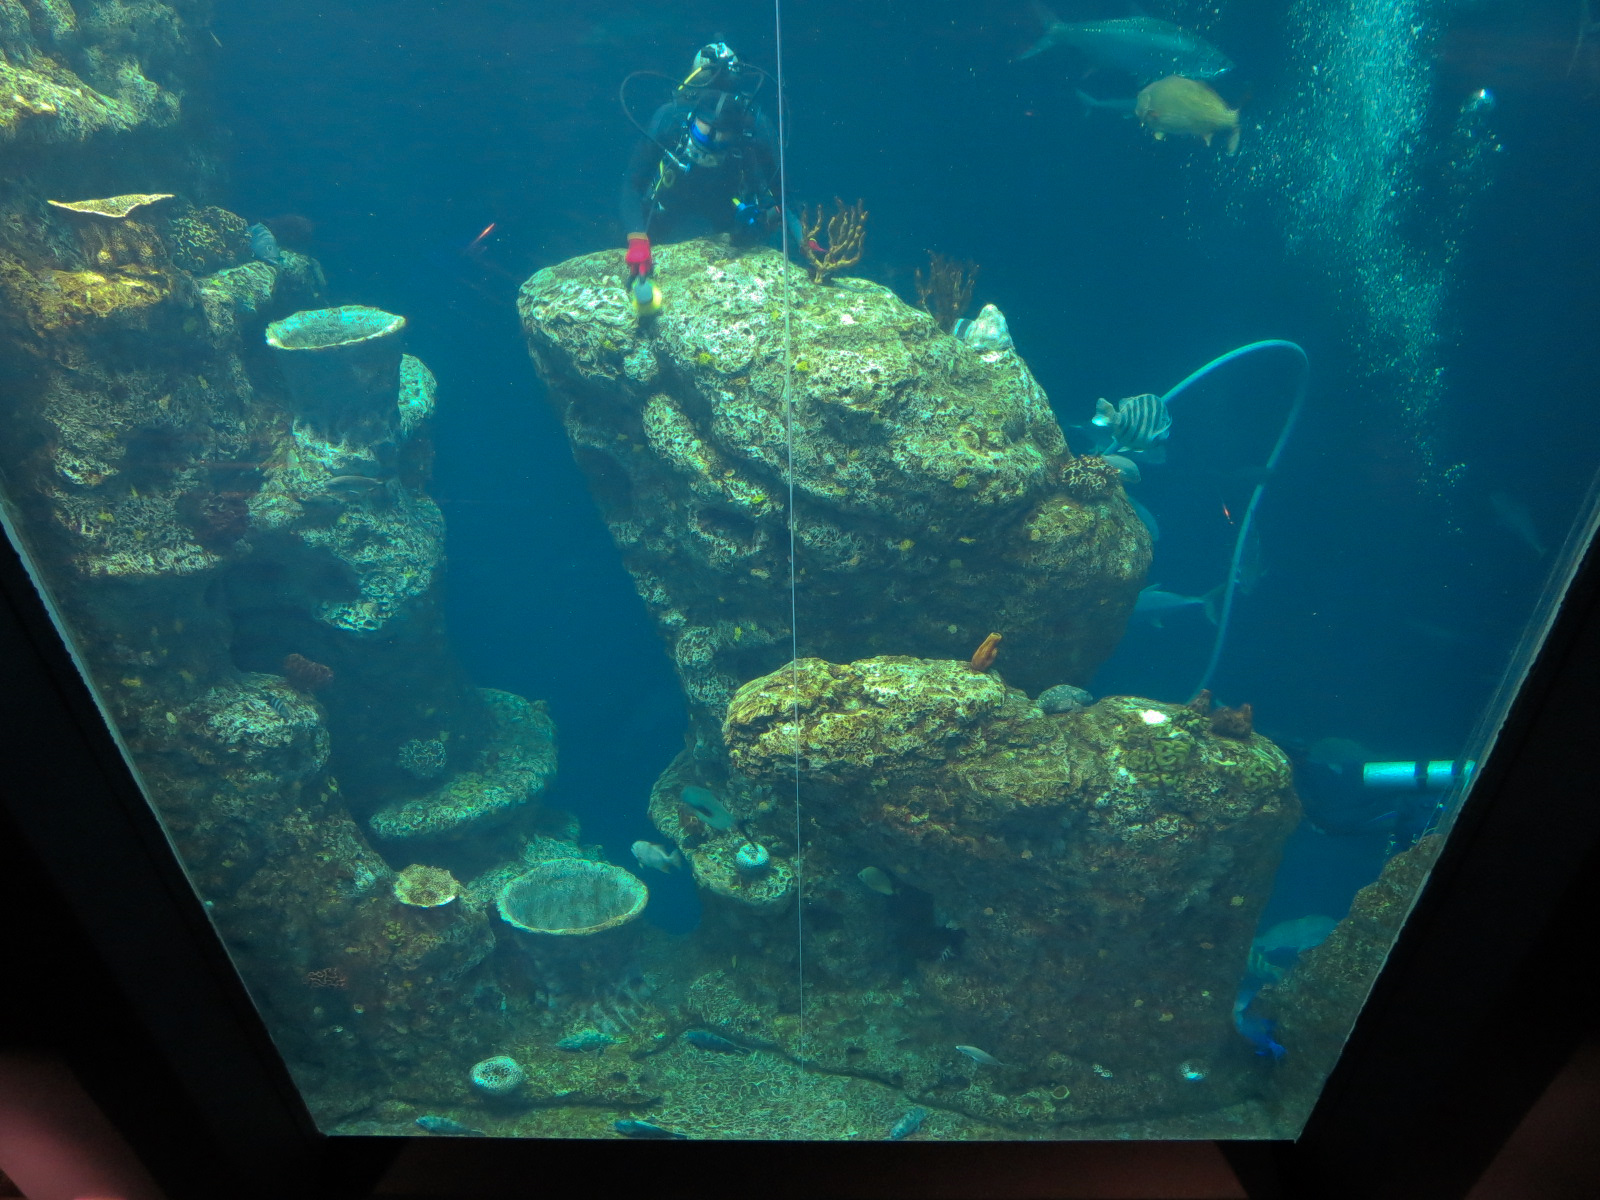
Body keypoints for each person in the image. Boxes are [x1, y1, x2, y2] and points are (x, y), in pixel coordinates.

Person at [620, 43, 799, 315]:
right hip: (668, 201)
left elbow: (780, 196)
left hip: (726, 206)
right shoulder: (669, 119)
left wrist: (801, 238)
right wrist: (636, 236)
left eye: (721, 139)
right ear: (689, 120)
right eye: (704, 135)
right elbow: (632, 186)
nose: (712, 144)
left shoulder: (753, 131)